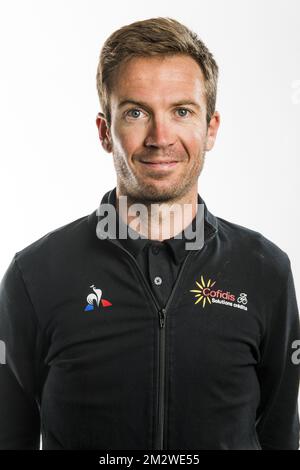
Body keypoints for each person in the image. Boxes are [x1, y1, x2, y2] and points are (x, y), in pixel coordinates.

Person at [0, 17, 299, 450]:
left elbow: (280, 437)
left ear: (210, 128)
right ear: (105, 131)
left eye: (182, 111)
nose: (161, 137)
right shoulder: (34, 276)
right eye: (136, 112)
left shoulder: (266, 271)